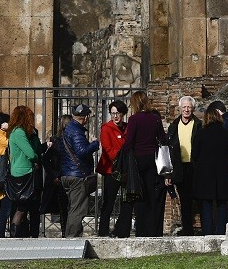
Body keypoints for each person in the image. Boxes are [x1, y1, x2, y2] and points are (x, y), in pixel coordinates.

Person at [117, 90, 167, 237]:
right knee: (151, 195)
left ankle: (141, 229)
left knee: (139, 195)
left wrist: (122, 156)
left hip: (138, 160)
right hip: (153, 159)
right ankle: (151, 230)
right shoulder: (155, 119)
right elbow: (163, 140)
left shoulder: (134, 119)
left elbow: (129, 142)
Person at [192, 104, 228, 235]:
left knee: (206, 204)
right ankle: (221, 232)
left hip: (205, 174)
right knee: (222, 204)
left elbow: (194, 154)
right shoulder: (227, 134)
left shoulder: (201, 134)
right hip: (223, 174)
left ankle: (207, 233)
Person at [58, 103, 100, 238]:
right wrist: (94, 144)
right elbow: (81, 151)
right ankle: (72, 238)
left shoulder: (68, 129)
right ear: (86, 117)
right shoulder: (76, 131)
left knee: (74, 208)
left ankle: (73, 236)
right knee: (77, 210)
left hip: (68, 173)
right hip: (77, 176)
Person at [166, 95, 201, 235]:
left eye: (189, 107)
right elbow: (168, 150)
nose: (186, 110)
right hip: (180, 167)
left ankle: (205, 228)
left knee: (199, 197)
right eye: (184, 107)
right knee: (184, 200)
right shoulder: (173, 126)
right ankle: (187, 229)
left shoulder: (198, 125)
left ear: (193, 108)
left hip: (195, 166)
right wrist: (168, 173)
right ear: (180, 108)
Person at [7, 105, 44, 238]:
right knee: (22, 208)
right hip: (23, 174)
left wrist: (34, 136)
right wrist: (36, 158)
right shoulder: (18, 132)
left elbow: (37, 149)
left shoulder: (23, 132)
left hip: (25, 173)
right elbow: (31, 154)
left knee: (30, 207)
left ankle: (27, 234)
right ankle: (14, 236)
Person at [96, 99, 128, 237]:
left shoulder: (127, 128)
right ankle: (103, 231)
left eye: (118, 113)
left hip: (126, 170)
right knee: (109, 201)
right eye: (113, 113)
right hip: (111, 170)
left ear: (123, 114)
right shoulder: (106, 128)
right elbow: (108, 149)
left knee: (126, 200)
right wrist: (123, 153)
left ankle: (121, 230)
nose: (115, 116)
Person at [41, 114, 72, 237]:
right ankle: (66, 233)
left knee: (68, 208)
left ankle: (67, 233)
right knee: (64, 208)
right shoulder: (56, 141)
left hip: (66, 176)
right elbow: (45, 159)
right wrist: (54, 176)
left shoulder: (72, 139)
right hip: (60, 177)